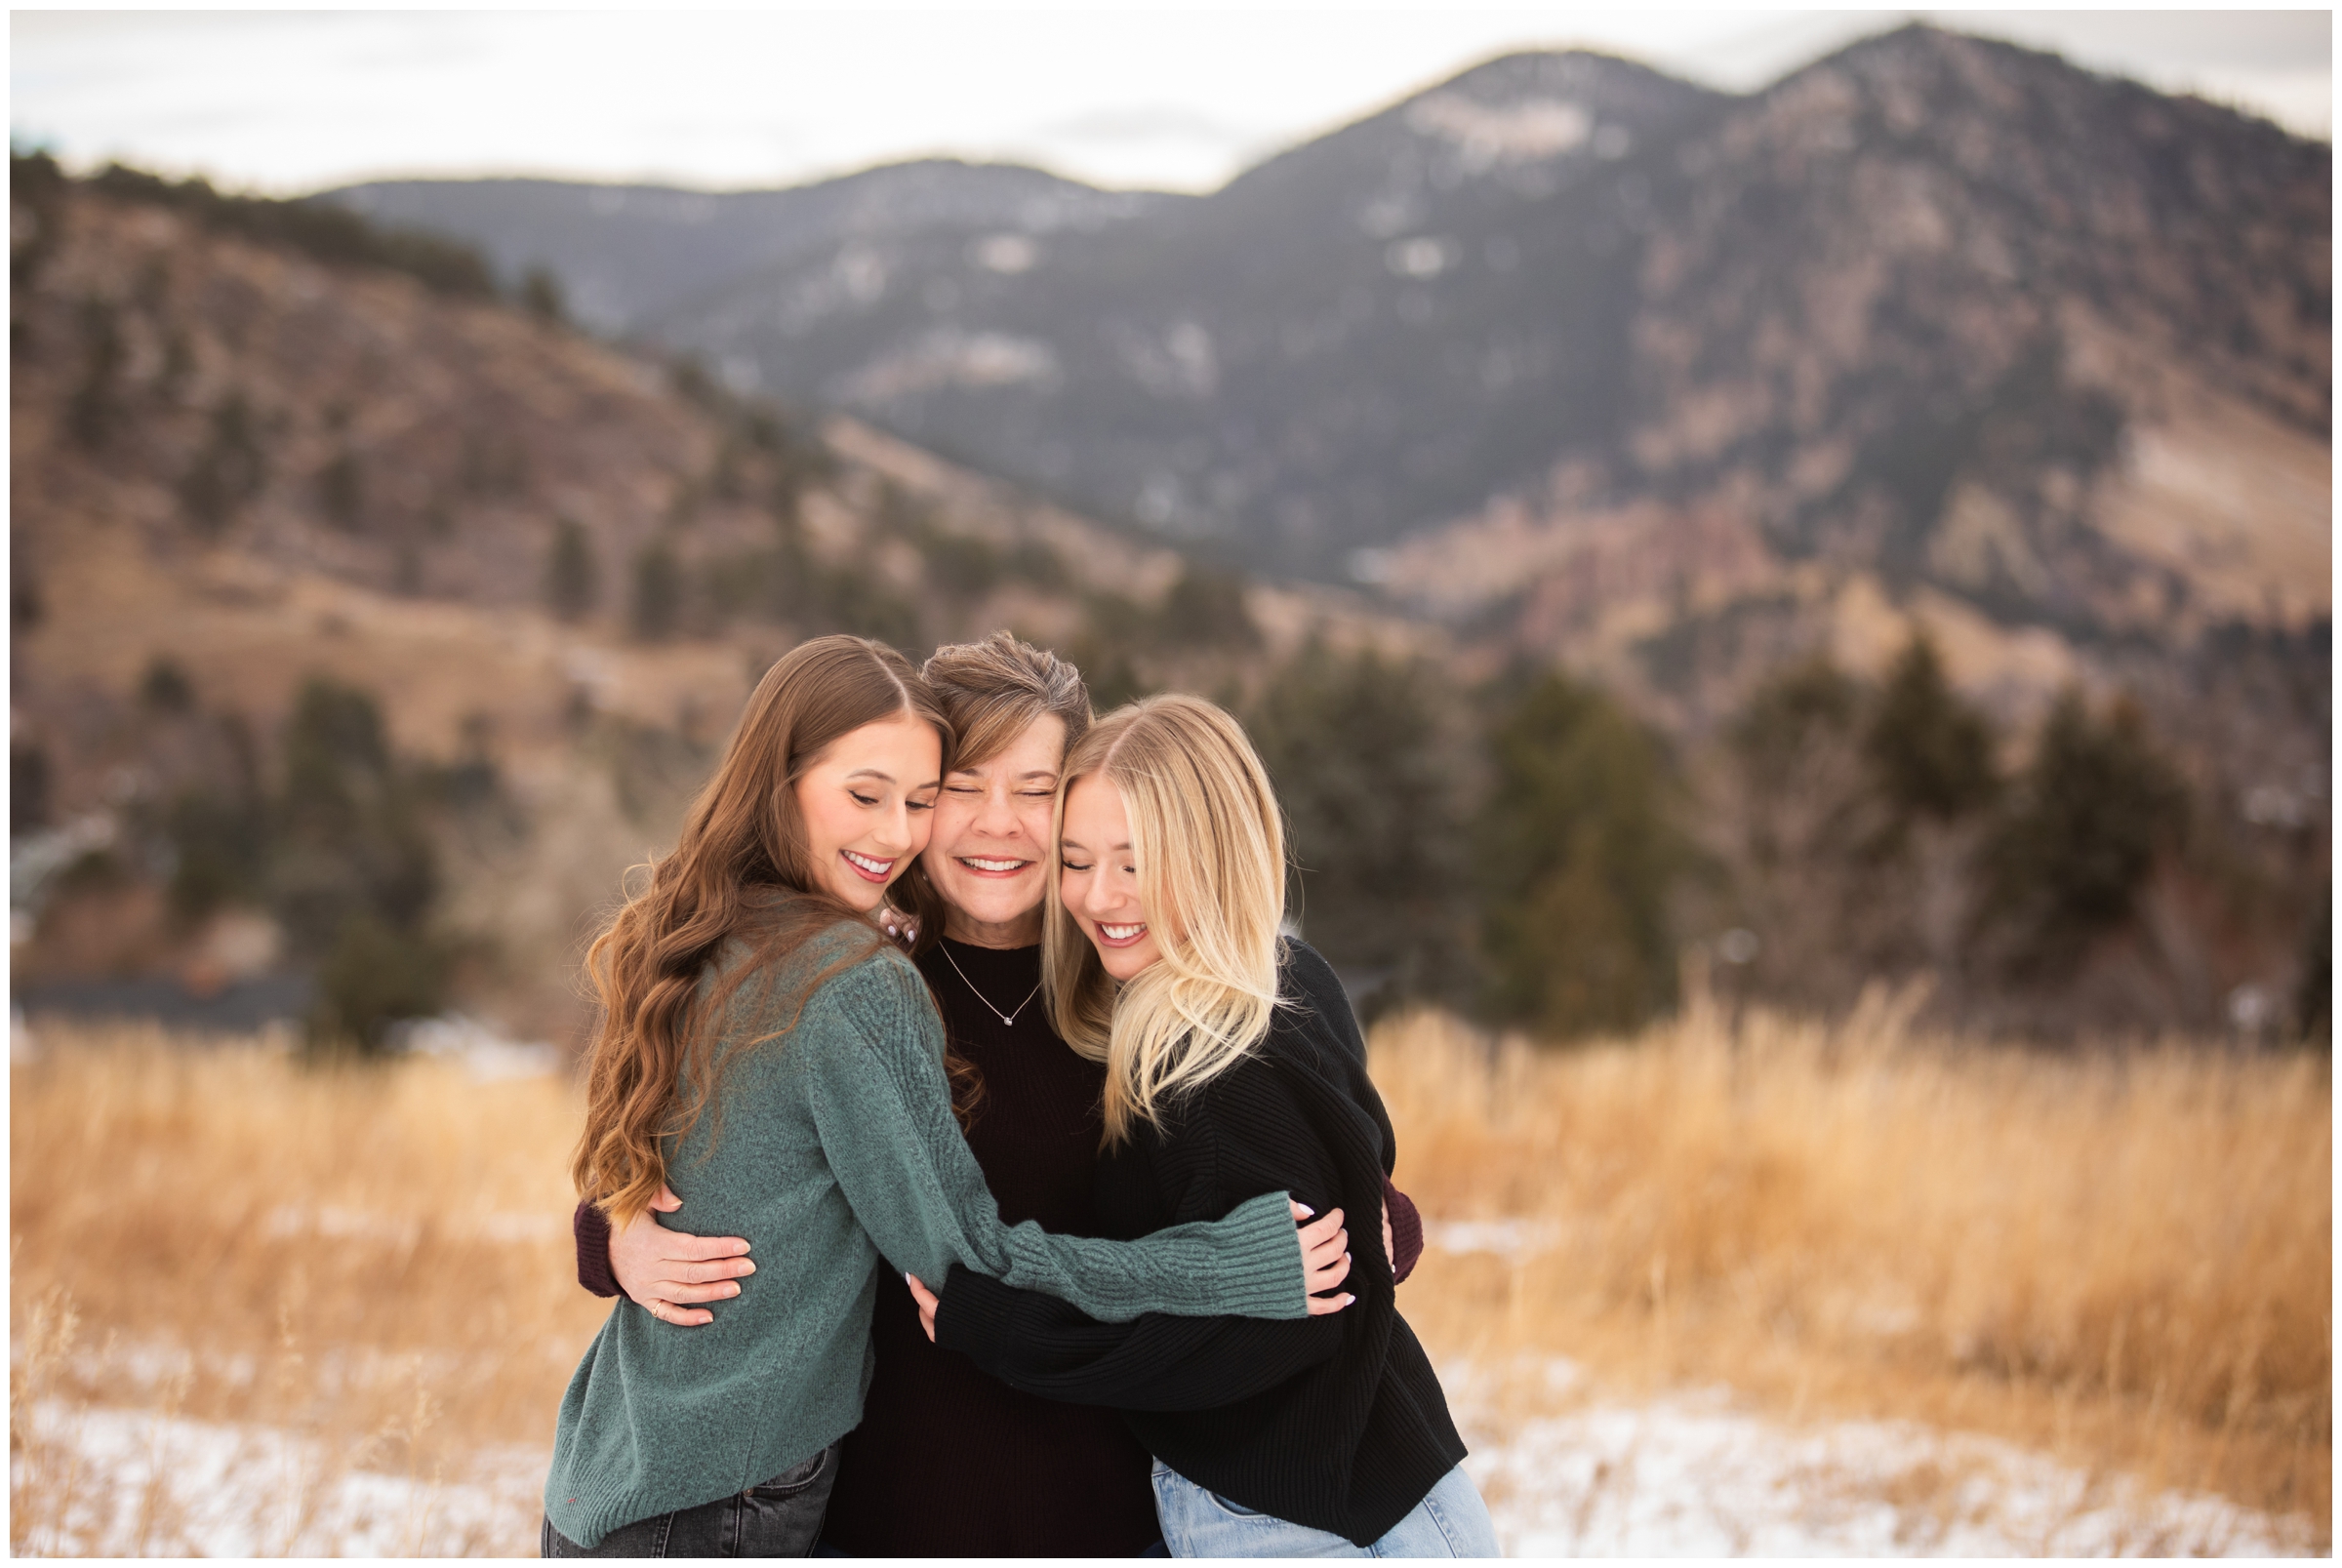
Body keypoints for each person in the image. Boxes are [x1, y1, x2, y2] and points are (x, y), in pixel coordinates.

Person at [575, 632, 1423, 1555]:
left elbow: (1296, 1219)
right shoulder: (859, 986)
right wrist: (613, 1232)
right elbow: (719, 1156)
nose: (998, 824)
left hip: (1105, 1496)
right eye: (962, 789)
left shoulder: (1139, 984)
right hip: (887, 1498)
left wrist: (1372, 1217)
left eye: (1037, 791)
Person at [907, 693, 1499, 1557]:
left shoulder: (1205, 1068)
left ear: (1213, 852)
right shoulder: (1284, 973)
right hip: (1360, 1489)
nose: (1098, 896)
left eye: (1136, 863)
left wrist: (1007, 1327)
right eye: (1076, 860)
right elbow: (1361, 1159)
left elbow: (1280, 1328)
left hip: (1315, 1521)